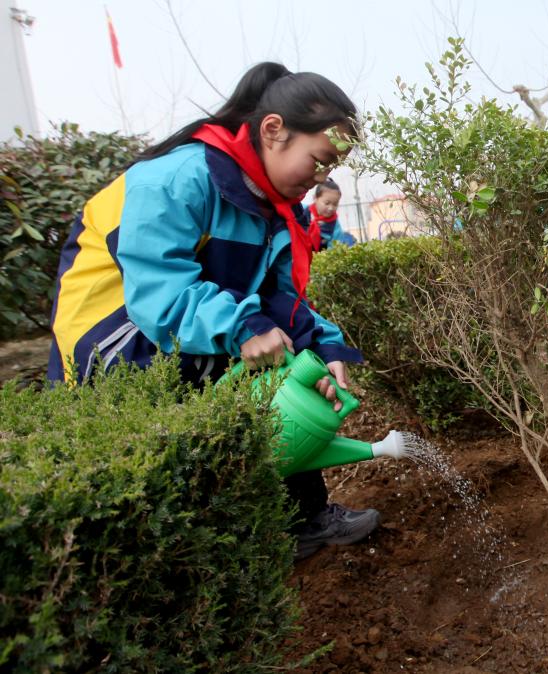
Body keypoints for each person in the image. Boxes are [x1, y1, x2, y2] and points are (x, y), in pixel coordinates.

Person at [47, 62, 381, 561]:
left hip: (186, 331)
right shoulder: (174, 179)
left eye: (331, 170)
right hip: (119, 339)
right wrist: (242, 325)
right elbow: (158, 292)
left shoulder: (271, 206)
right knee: (172, 469)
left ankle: (303, 521)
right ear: (274, 131)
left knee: (288, 376)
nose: (320, 180)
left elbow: (283, 302)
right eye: (319, 160)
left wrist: (322, 344)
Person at [307, 178, 343, 251]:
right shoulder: (303, 213)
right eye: (327, 203)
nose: (331, 208)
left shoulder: (335, 226)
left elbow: (334, 251)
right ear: (315, 198)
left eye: (335, 204)